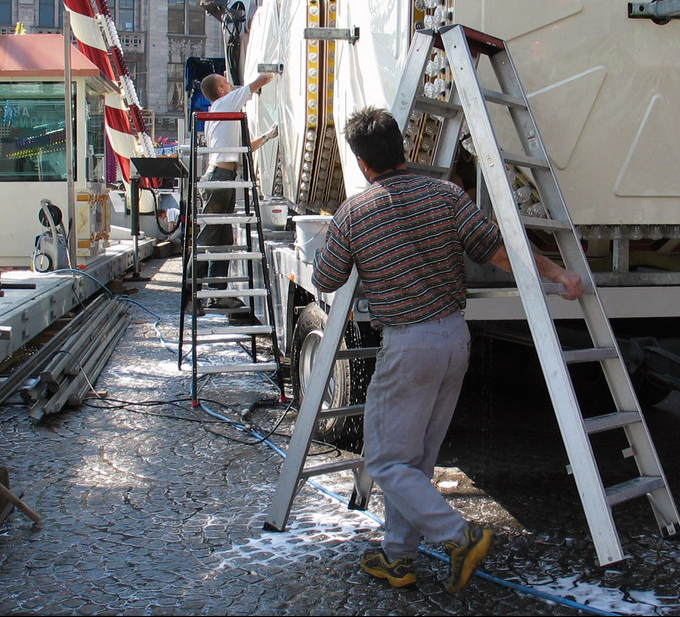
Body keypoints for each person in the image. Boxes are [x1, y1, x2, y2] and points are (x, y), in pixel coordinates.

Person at [312, 107, 583, 593]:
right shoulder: (446, 194)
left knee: (385, 460)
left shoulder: (355, 211)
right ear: (404, 150)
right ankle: (399, 558)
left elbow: (326, 278)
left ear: (360, 161)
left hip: (409, 345)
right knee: (413, 462)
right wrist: (559, 274)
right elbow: (500, 250)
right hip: (454, 339)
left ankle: (461, 537)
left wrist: (339, 246)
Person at [186, 70, 277, 311]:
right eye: (226, 82)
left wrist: (268, 136)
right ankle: (189, 293)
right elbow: (252, 87)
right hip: (219, 178)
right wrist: (268, 75)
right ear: (220, 90)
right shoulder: (223, 103)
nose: (230, 84)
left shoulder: (226, 117)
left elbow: (245, 148)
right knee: (208, 237)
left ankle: (218, 291)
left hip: (224, 177)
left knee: (222, 239)